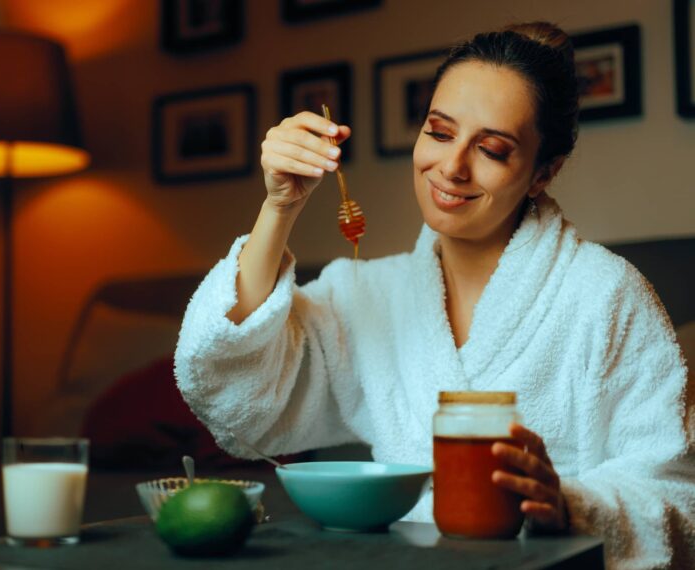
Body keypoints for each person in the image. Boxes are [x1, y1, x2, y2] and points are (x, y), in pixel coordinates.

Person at [174, 22, 694, 569]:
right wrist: (278, 209)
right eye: (440, 132)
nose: (451, 166)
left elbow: (678, 496)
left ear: (543, 172)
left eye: (492, 149)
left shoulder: (604, 294)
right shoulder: (371, 293)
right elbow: (234, 394)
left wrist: (571, 505)